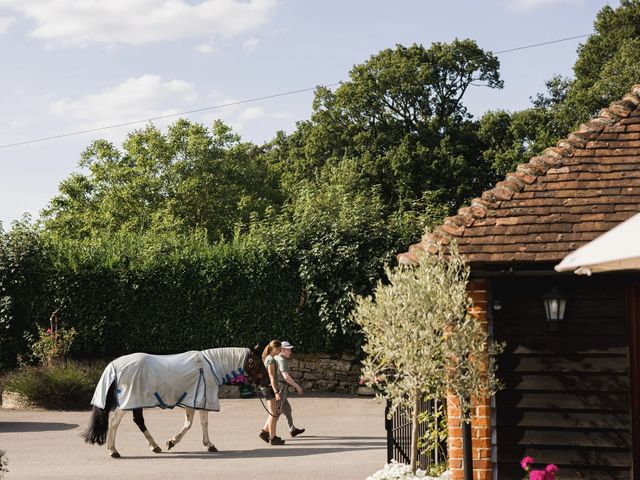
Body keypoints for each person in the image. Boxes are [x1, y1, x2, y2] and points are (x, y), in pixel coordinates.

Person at [275, 341, 305, 437]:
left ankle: (292, 429)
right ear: (282, 350)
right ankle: (266, 432)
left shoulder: (276, 358)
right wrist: (297, 387)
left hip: (279, 387)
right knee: (276, 412)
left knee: (287, 409)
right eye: (288, 350)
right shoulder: (281, 360)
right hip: (280, 388)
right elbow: (286, 377)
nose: (290, 352)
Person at [259, 340, 285, 445]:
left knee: (273, 413)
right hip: (270, 388)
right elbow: (271, 377)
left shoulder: (268, 358)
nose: (280, 351)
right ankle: (272, 438)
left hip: (268, 388)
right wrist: (276, 391)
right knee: (273, 414)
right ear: (273, 348)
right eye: (278, 349)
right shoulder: (270, 360)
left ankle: (265, 432)